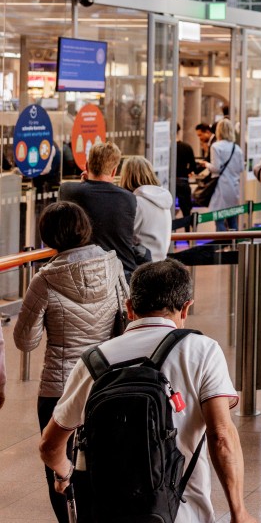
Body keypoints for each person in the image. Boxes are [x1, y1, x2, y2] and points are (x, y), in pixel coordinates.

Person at [39, 258, 256, 523]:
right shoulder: (202, 350)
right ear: (186, 308)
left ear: (129, 309)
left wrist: (64, 475)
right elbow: (221, 436)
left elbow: (50, 446)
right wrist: (238, 511)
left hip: (107, 514)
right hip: (181, 513)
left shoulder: (93, 361)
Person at [15, 201, 127, 523]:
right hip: (107, 382)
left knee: (60, 469)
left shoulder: (44, 280)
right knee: (104, 464)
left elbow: (26, 341)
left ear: (49, 235)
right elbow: (126, 316)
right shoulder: (114, 266)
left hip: (60, 388)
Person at [58, 141, 143, 278]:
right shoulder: (128, 198)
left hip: (81, 273)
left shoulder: (67, 190)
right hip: (121, 273)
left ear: (86, 166)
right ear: (115, 171)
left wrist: (83, 184)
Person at [120, 156, 175, 264]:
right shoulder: (162, 199)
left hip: (141, 265)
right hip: (160, 262)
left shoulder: (137, 203)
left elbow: (123, 236)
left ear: (127, 176)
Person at [204, 118, 244, 231]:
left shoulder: (216, 147)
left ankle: (220, 247)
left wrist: (206, 164)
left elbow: (216, 168)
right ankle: (234, 246)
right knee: (233, 221)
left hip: (221, 188)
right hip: (234, 188)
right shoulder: (237, 149)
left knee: (219, 220)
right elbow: (241, 168)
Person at [174, 123, 197, 219]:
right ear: (179, 132)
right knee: (186, 211)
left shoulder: (168, 148)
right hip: (183, 181)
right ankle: (188, 231)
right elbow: (193, 166)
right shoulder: (187, 147)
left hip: (171, 182)